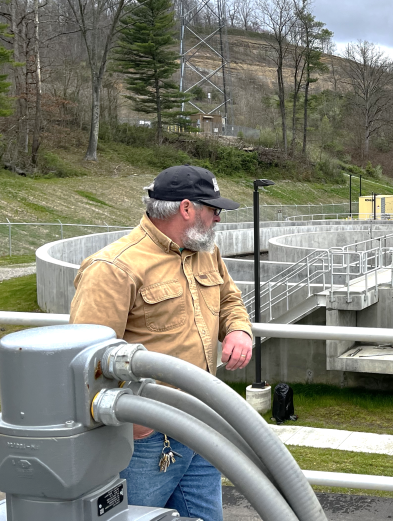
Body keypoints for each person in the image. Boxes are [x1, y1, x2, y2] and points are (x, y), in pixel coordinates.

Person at [69, 164, 253, 521]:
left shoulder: (206, 252)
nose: (218, 219)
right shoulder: (114, 268)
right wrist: (137, 424)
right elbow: (85, 362)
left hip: (201, 422)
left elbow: (230, 299)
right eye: (213, 210)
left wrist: (238, 330)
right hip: (145, 441)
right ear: (187, 208)